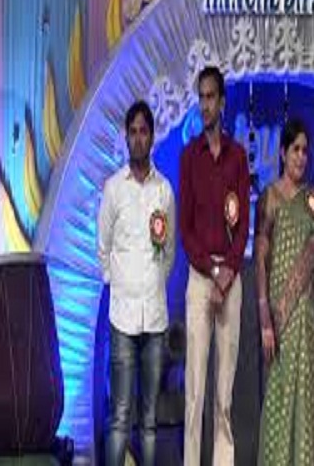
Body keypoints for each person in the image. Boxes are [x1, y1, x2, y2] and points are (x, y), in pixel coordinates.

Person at [97, 100, 176, 466]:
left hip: (155, 318)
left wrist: (153, 283)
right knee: (119, 416)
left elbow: (169, 251)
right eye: (133, 132)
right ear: (126, 137)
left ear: (152, 137)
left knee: (149, 420)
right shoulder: (114, 188)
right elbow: (103, 246)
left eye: (144, 131)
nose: (139, 138)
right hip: (123, 318)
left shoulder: (164, 191)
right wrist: (119, 283)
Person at [179, 66, 250, 466]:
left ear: (222, 102)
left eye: (211, 97)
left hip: (231, 281)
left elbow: (244, 227)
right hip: (200, 278)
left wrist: (228, 274)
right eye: (201, 98)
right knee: (195, 391)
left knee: (224, 393)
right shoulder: (190, 157)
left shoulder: (238, 157)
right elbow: (185, 229)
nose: (205, 105)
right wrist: (211, 271)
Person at [255, 118, 314, 466]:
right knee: (280, 397)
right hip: (279, 317)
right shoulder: (269, 198)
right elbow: (260, 260)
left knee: (306, 401)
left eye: (305, 150)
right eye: (295, 149)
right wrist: (265, 320)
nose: (301, 156)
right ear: (283, 153)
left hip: (308, 318)